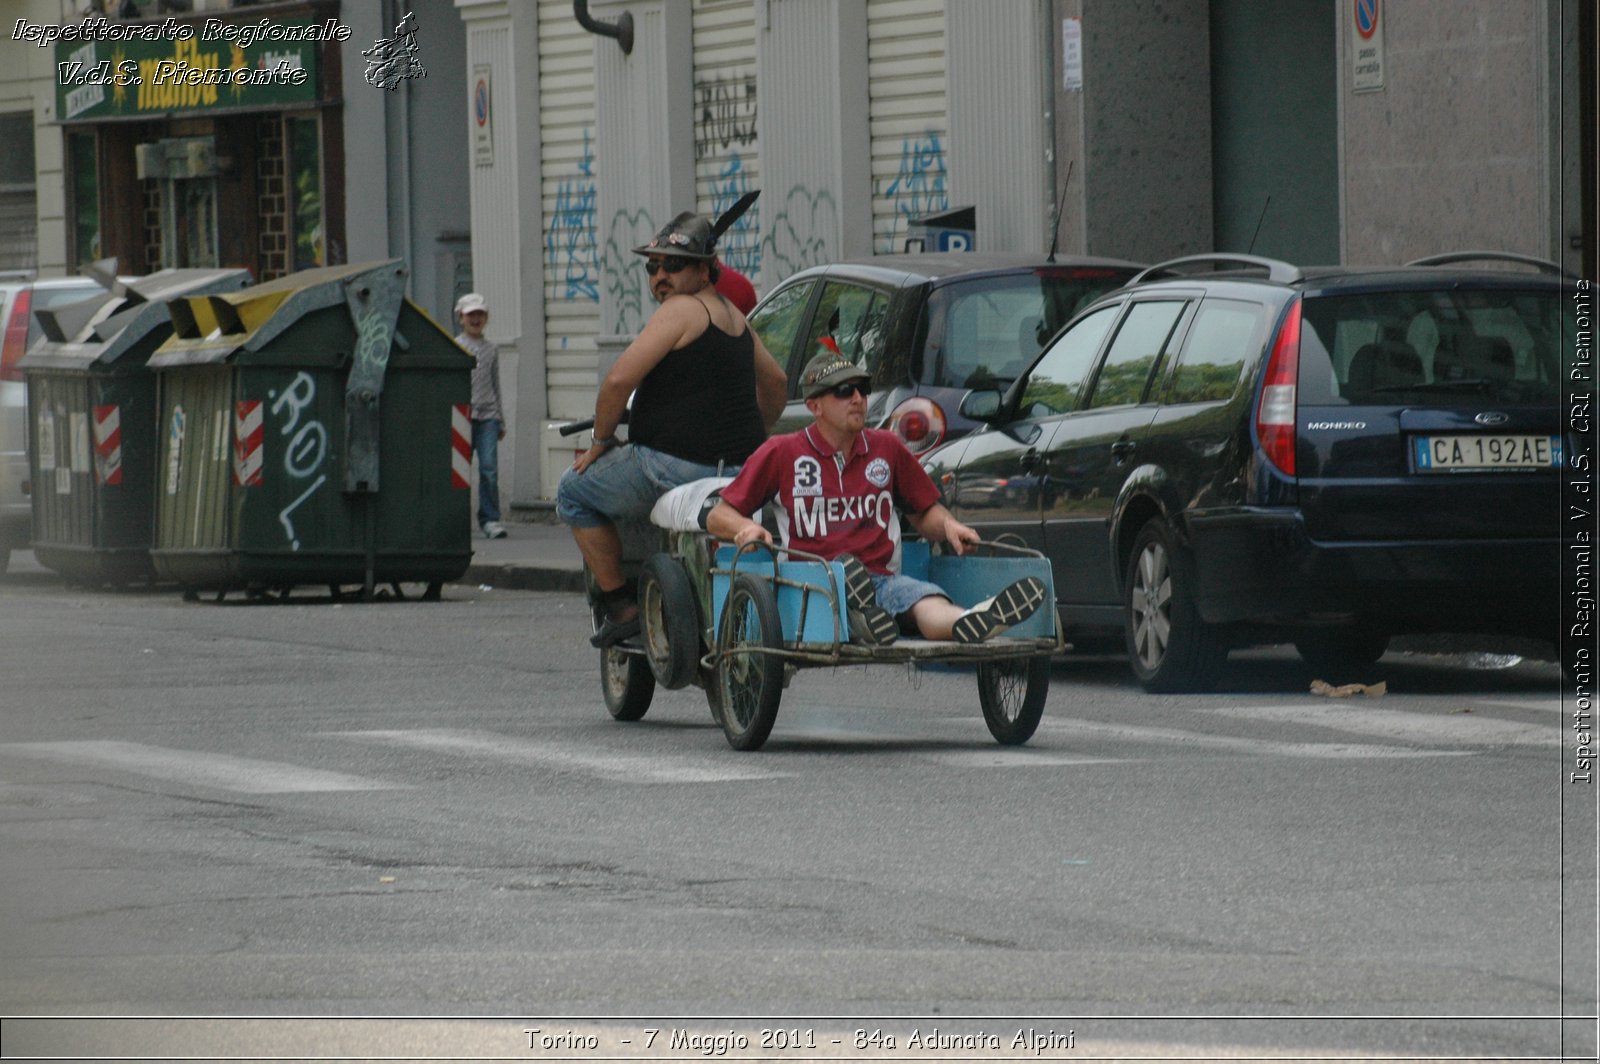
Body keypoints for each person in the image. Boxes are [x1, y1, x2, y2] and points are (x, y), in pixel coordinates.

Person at [557, 210, 789, 647]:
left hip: (672, 466)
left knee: (572, 490)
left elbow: (618, 381)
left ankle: (620, 606)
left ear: (704, 270)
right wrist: (756, 435)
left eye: (673, 265)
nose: (660, 275)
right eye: (653, 266)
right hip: (739, 471)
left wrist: (601, 442)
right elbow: (776, 382)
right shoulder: (734, 316)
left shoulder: (681, 309)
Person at [705, 352, 1047, 645]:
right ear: (814, 406)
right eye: (844, 391)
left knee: (923, 599)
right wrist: (746, 529)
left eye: (863, 389)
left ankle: (970, 620)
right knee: (847, 588)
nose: (858, 398)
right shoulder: (781, 452)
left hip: (881, 579)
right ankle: (861, 619)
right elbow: (719, 515)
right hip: (813, 582)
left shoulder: (888, 447)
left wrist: (949, 526)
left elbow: (923, 513)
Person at [455, 293, 507, 539]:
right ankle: (456, 520)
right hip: (462, 417)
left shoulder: (492, 349)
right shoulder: (455, 346)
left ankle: (490, 518)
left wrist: (501, 420)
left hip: (488, 416)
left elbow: (495, 384)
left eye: (480, 314)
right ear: (461, 318)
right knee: (458, 471)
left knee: (489, 468)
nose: (475, 319)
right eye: (470, 315)